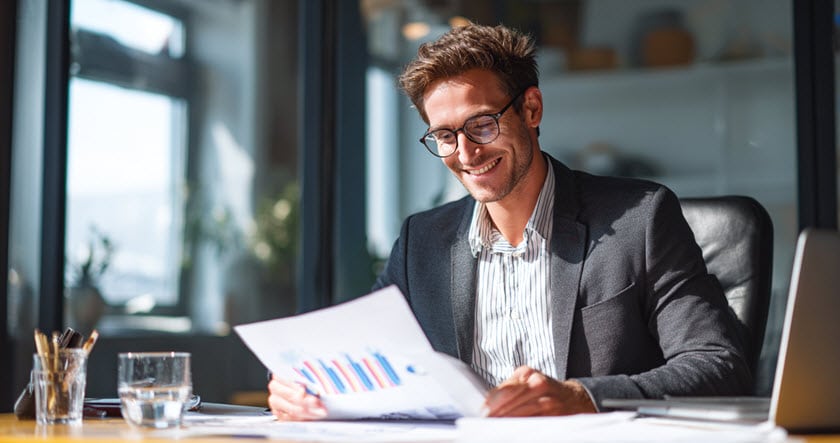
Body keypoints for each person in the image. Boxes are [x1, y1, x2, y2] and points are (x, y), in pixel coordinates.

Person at [268, 22, 751, 420]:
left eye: (482, 124)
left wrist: (581, 398)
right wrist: (304, 386)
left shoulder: (639, 220)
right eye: (444, 135)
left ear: (532, 109)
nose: (466, 153)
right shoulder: (423, 243)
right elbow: (361, 357)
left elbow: (719, 365)